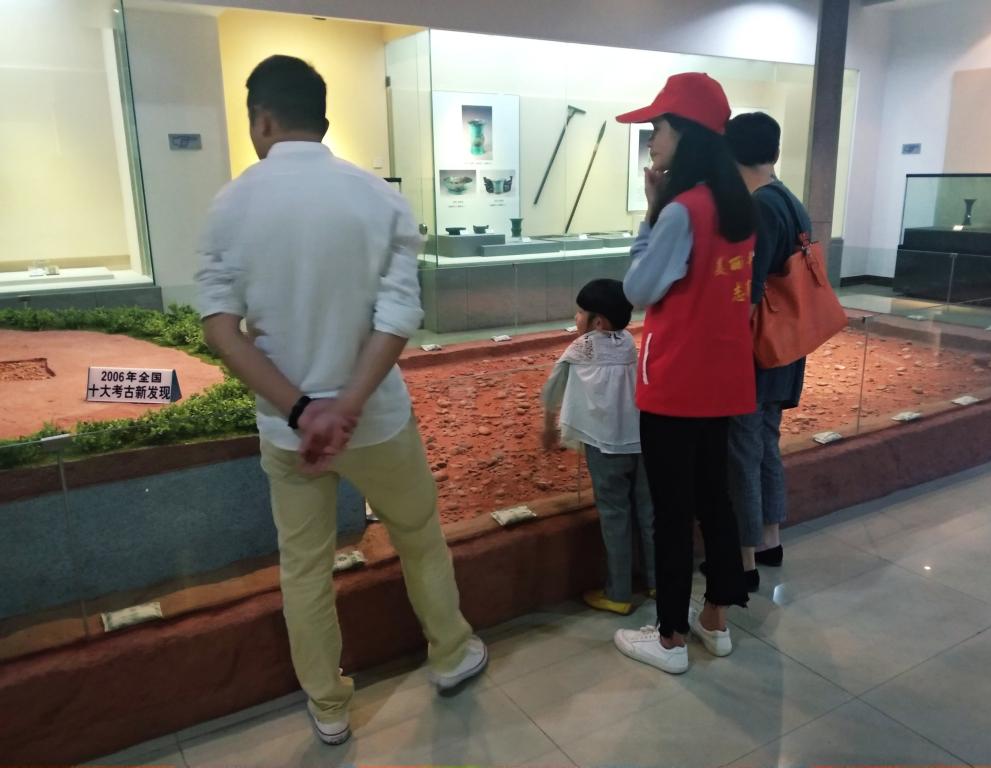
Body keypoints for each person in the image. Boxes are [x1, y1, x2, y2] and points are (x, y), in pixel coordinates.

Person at [195, 55, 486, 747]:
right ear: (321, 118)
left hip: (288, 431)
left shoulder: (229, 205)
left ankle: (328, 704)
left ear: (263, 119)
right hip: (376, 418)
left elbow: (220, 330)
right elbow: (399, 315)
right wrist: (347, 405)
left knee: (304, 566)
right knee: (418, 535)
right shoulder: (379, 198)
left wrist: (304, 412)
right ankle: (450, 654)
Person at [611, 73, 756, 675]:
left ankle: (669, 636)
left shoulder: (682, 211)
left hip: (675, 383)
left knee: (671, 510)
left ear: (686, 133)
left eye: (658, 127)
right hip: (722, 378)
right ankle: (715, 619)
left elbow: (638, 289)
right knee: (714, 499)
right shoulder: (737, 206)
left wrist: (651, 213)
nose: (652, 138)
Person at [718, 111, 809, 588]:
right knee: (765, 444)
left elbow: (748, 294)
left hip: (758, 349)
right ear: (774, 150)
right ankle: (770, 540)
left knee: (743, 452)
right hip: (788, 343)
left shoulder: (758, 207)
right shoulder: (791, 200)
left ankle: (744, 560)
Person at [540, 279, 656, 615]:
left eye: (581, 312)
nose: (576, 317)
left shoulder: (582, 348)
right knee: (649, 512)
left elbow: (552, 388)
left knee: (614, 515)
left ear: (598, 322)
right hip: (641, 440)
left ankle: (618, 593)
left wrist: (548, 426)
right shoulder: (629, 343)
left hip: (605, 446)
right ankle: (658, 581)